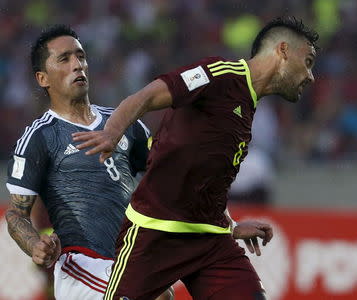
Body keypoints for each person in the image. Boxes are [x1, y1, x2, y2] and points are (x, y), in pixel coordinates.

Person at [74, 16, 318, 300]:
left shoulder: (248, 105)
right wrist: (112, 132)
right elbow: (150, 94)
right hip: (154, 233)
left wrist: (231, 225)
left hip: (210, 240)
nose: (310, 76)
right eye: (309, 62)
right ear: (284, 50)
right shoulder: (220, 75)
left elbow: (205, 178)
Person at [4, 25, 173, 300]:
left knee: (162, 293)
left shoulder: (123, 123)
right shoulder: (39, 136)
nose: (77, 65)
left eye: (80, 56)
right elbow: (16, 214)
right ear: (42, 78)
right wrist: (35, 244)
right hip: (81, 264)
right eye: (64, 59)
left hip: (128, 261)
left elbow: (167, 178)